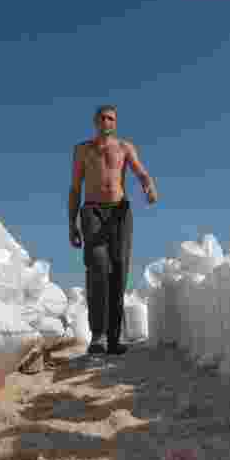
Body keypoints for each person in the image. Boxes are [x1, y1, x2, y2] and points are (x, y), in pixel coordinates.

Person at [69, 105, 157, 355]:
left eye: (111, 118)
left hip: (120, 212)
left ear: (115, 123)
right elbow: (75, 187)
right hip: (92, 210)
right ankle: (97, 336)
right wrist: (71, 223)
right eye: (103, 117)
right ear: (95, 121)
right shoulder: (82, 150)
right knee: (98, 266)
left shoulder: (125, 147)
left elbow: (141, 172)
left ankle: (114, 337)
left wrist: (148, 186)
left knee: (119, 271)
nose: (107, 121)